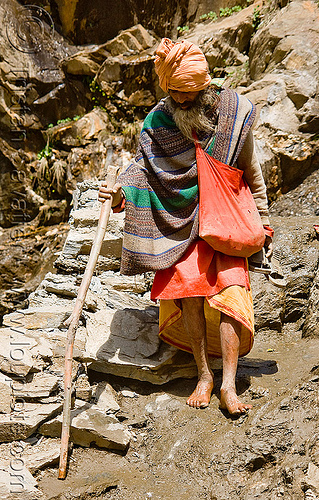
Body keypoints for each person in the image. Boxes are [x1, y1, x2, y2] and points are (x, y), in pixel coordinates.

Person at [98, 38, 273, 415]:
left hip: (226, 218)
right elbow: (141, 172)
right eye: (175, 93)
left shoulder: (233, 113)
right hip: (181, 222)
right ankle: (203, 375)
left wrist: (265, 220)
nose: (183, 100)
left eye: (190, 93)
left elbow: (252, 171)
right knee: (190, 293)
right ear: (167, 89)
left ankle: (228, 384)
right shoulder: (157, 122)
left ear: (205, 86)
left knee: (231, 295)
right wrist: (118, 195)